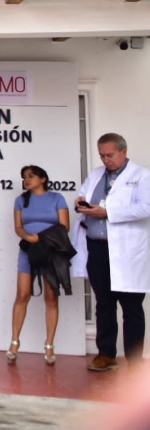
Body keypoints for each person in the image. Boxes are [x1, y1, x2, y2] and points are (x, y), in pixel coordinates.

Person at [73, 133, 150, 371]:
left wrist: (108, 213)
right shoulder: (96, 174)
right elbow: (83, 195)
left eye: (111, 155)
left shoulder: (142, 176)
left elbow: (146, 208)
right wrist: (81, 203)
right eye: (102, 156)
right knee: (104, 304)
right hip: (97, 248)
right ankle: (106, 354)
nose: (106, 160)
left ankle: (135, 362)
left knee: (131, 307)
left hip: (126, 252)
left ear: (124, 151)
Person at [7, 165, 70, 365]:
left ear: (43, 179)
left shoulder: (57, 198)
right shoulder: (20, 200)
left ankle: (49, 344)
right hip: (29, 250)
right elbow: (18, 227)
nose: (27, 180)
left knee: (51, 297)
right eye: (24, 177)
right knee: (22, 294)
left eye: (31, 176)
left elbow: (64, 226)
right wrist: (28, 237)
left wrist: (42, 238)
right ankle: (14, 342)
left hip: (51, 250)